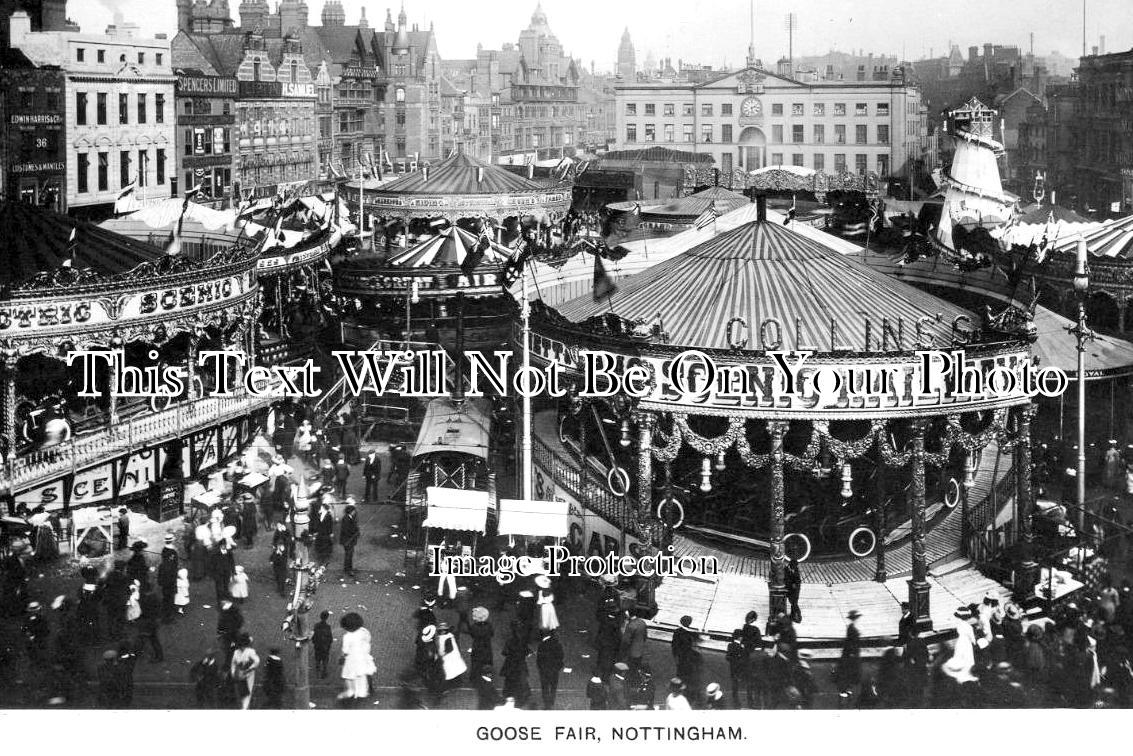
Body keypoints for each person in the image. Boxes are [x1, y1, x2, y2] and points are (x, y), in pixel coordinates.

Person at [339, 613, 377, 702]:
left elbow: (345, 651)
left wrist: (342, 657)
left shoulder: (347, 637)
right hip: (364, 656)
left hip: (353, 659)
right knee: (366, 672)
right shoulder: (364, 631)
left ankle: (352, 693)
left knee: (351, 676)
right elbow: (368, 640)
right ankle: (369, 688)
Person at [671, 615, 702, 705]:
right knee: (686, 677)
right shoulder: (688, 633)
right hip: (686, 659)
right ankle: (685, 694)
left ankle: (681, 692)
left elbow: (674, 646)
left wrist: (676, 657)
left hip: (682, 658)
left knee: (682, 676)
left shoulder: (678, 632)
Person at [835, 609, 862, 705]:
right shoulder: (852, 628)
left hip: (850, 654)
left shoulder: (851, 628)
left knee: (849, 673)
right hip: (851, 655)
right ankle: (844, 691)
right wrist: (852, 654)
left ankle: (846, 689)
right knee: (848, 672)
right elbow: (851, 643)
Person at [536, 629, 564, 709]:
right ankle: (551, 701)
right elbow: (561, 657)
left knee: (545, 686)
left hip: (544, 669)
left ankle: (546, 701)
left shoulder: (543, 644)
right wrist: (558, 666)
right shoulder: (558, 645)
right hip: (554, 669)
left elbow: (539, 658)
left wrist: (540, 667)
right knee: (553, 686)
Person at [230, 633, 260, 710]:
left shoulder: (250, 651)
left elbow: (257, 661)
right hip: (239, 676)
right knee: (240, 694)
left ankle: (244, 709)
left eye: (243, 643)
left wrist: (249, 669)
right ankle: (242, 708)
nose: (242, 645)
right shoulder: (236, 652)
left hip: (248, 676)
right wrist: (234, 673)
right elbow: (233, 663)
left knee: (247, 694)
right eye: (240, 643)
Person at [726, 628, 752, 708]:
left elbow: (728, 657)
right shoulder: (741, 647)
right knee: (742, 682)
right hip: (740, 667)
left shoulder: (730, 645)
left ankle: (735, 697)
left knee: (735, 682)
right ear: (740, 637)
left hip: (733, 667)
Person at [158, 534, 180, 621]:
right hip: (171, 579)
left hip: (165, 580)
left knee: (166, 597)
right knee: (170, 597)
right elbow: (175, 564)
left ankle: (166, 612)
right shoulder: (173, 552)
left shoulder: (164, 550)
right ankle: (168, 616)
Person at [469, 606, 494, 673]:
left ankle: (474, 673)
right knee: (487, 658)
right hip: (486, 644)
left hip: (477, 644)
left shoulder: (473, 626)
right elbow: (492, 634)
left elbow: (472, 635)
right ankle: (487, 672)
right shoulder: (489, 625)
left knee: (475, 659)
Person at [340, 503, 360, 578]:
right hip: (348, 541)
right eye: (354, 511)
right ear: (351, 511)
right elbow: (346, 530)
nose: (355, 512)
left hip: (348, 541)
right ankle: (348, 570)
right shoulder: (346, 519)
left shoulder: (349, 517)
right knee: (349, 555)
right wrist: (355, 532)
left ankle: (348, 568)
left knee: (349, 555)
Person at [312, 611, 334, 679]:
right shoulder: (328, 627)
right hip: (325, 646)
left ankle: (318, 673)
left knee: (318, 659)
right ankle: (324, 673)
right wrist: (328, 644)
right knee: (325, 660)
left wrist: (315, 642)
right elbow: (330, 637)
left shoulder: (316, 625)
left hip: (318, 645)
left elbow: (314, 636)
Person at [785, 557, 802, 622]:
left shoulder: (796, 571)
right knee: (793, 602)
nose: (794, 567)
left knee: (794, 603)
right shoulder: (786, 569)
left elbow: (798, 580)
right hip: (788, 588)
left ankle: (798, 617)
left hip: (795, 589)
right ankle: (794, 616)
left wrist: (795, 584)